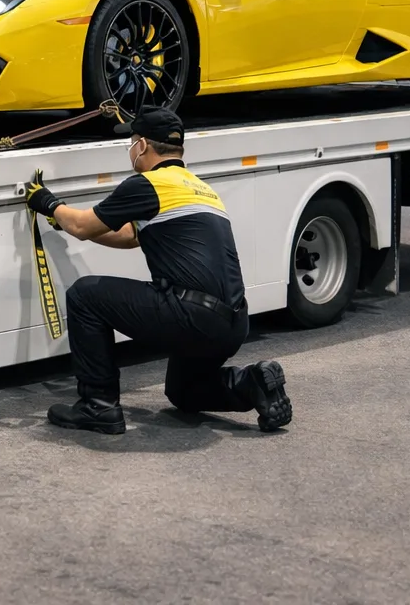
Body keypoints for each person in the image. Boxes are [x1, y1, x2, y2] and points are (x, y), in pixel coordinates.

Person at [24, 107, 292, 435]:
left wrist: (48, 202)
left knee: (85, 295)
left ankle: (99, 406)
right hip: (232, 323)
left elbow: (82, 226)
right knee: (182, 392)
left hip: (190, 316)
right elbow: (130, 236)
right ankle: (251, 383)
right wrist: (65, 221)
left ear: (142, 145)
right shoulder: (199, 188)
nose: (131, 148)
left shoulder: (147, 184)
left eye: (132, 141)